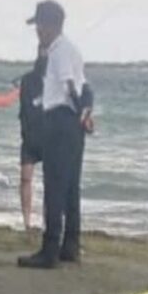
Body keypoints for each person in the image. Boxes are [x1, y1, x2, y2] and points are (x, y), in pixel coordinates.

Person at [18, 0, 94, 269]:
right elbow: (86, 88)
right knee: (71, 186)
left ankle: (49, 250)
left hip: (60, 120)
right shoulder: (72, 49)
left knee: (55, 187)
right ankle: (70, 245)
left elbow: (70, 87)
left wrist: (76, 112)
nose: (37, 31)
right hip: (72, 124)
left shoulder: (59, 51)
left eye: (39, 25)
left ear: (48, 26)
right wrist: (85, 115)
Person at [18, 47, 95, 230]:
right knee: (25, 178)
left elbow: (84, 93)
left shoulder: (62, 79)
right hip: (30, 136)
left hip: (51, 137)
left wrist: (86, 114)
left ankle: (48, 222)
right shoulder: (28, 80)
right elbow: (25, 109)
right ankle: (27, 221)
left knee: (50, 183)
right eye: (42, 55)